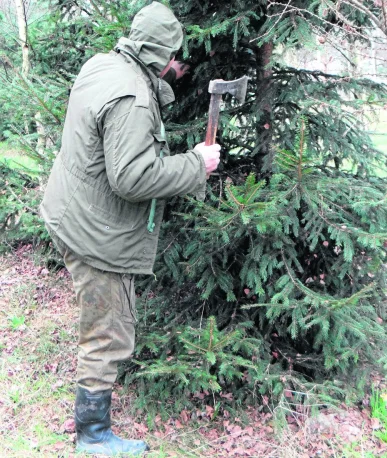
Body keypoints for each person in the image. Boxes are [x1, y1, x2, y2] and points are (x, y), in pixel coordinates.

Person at [40, 2, 220, 456]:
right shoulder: (135, 98)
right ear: (162, 55)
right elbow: (132, 178)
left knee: (103, 323)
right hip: (97, 236)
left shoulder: (103, 64)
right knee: (108, 331)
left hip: (70, 213)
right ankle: (93, 436)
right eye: (177, 58)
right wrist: (196, 164)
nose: (181, 67)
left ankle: (92, 430)